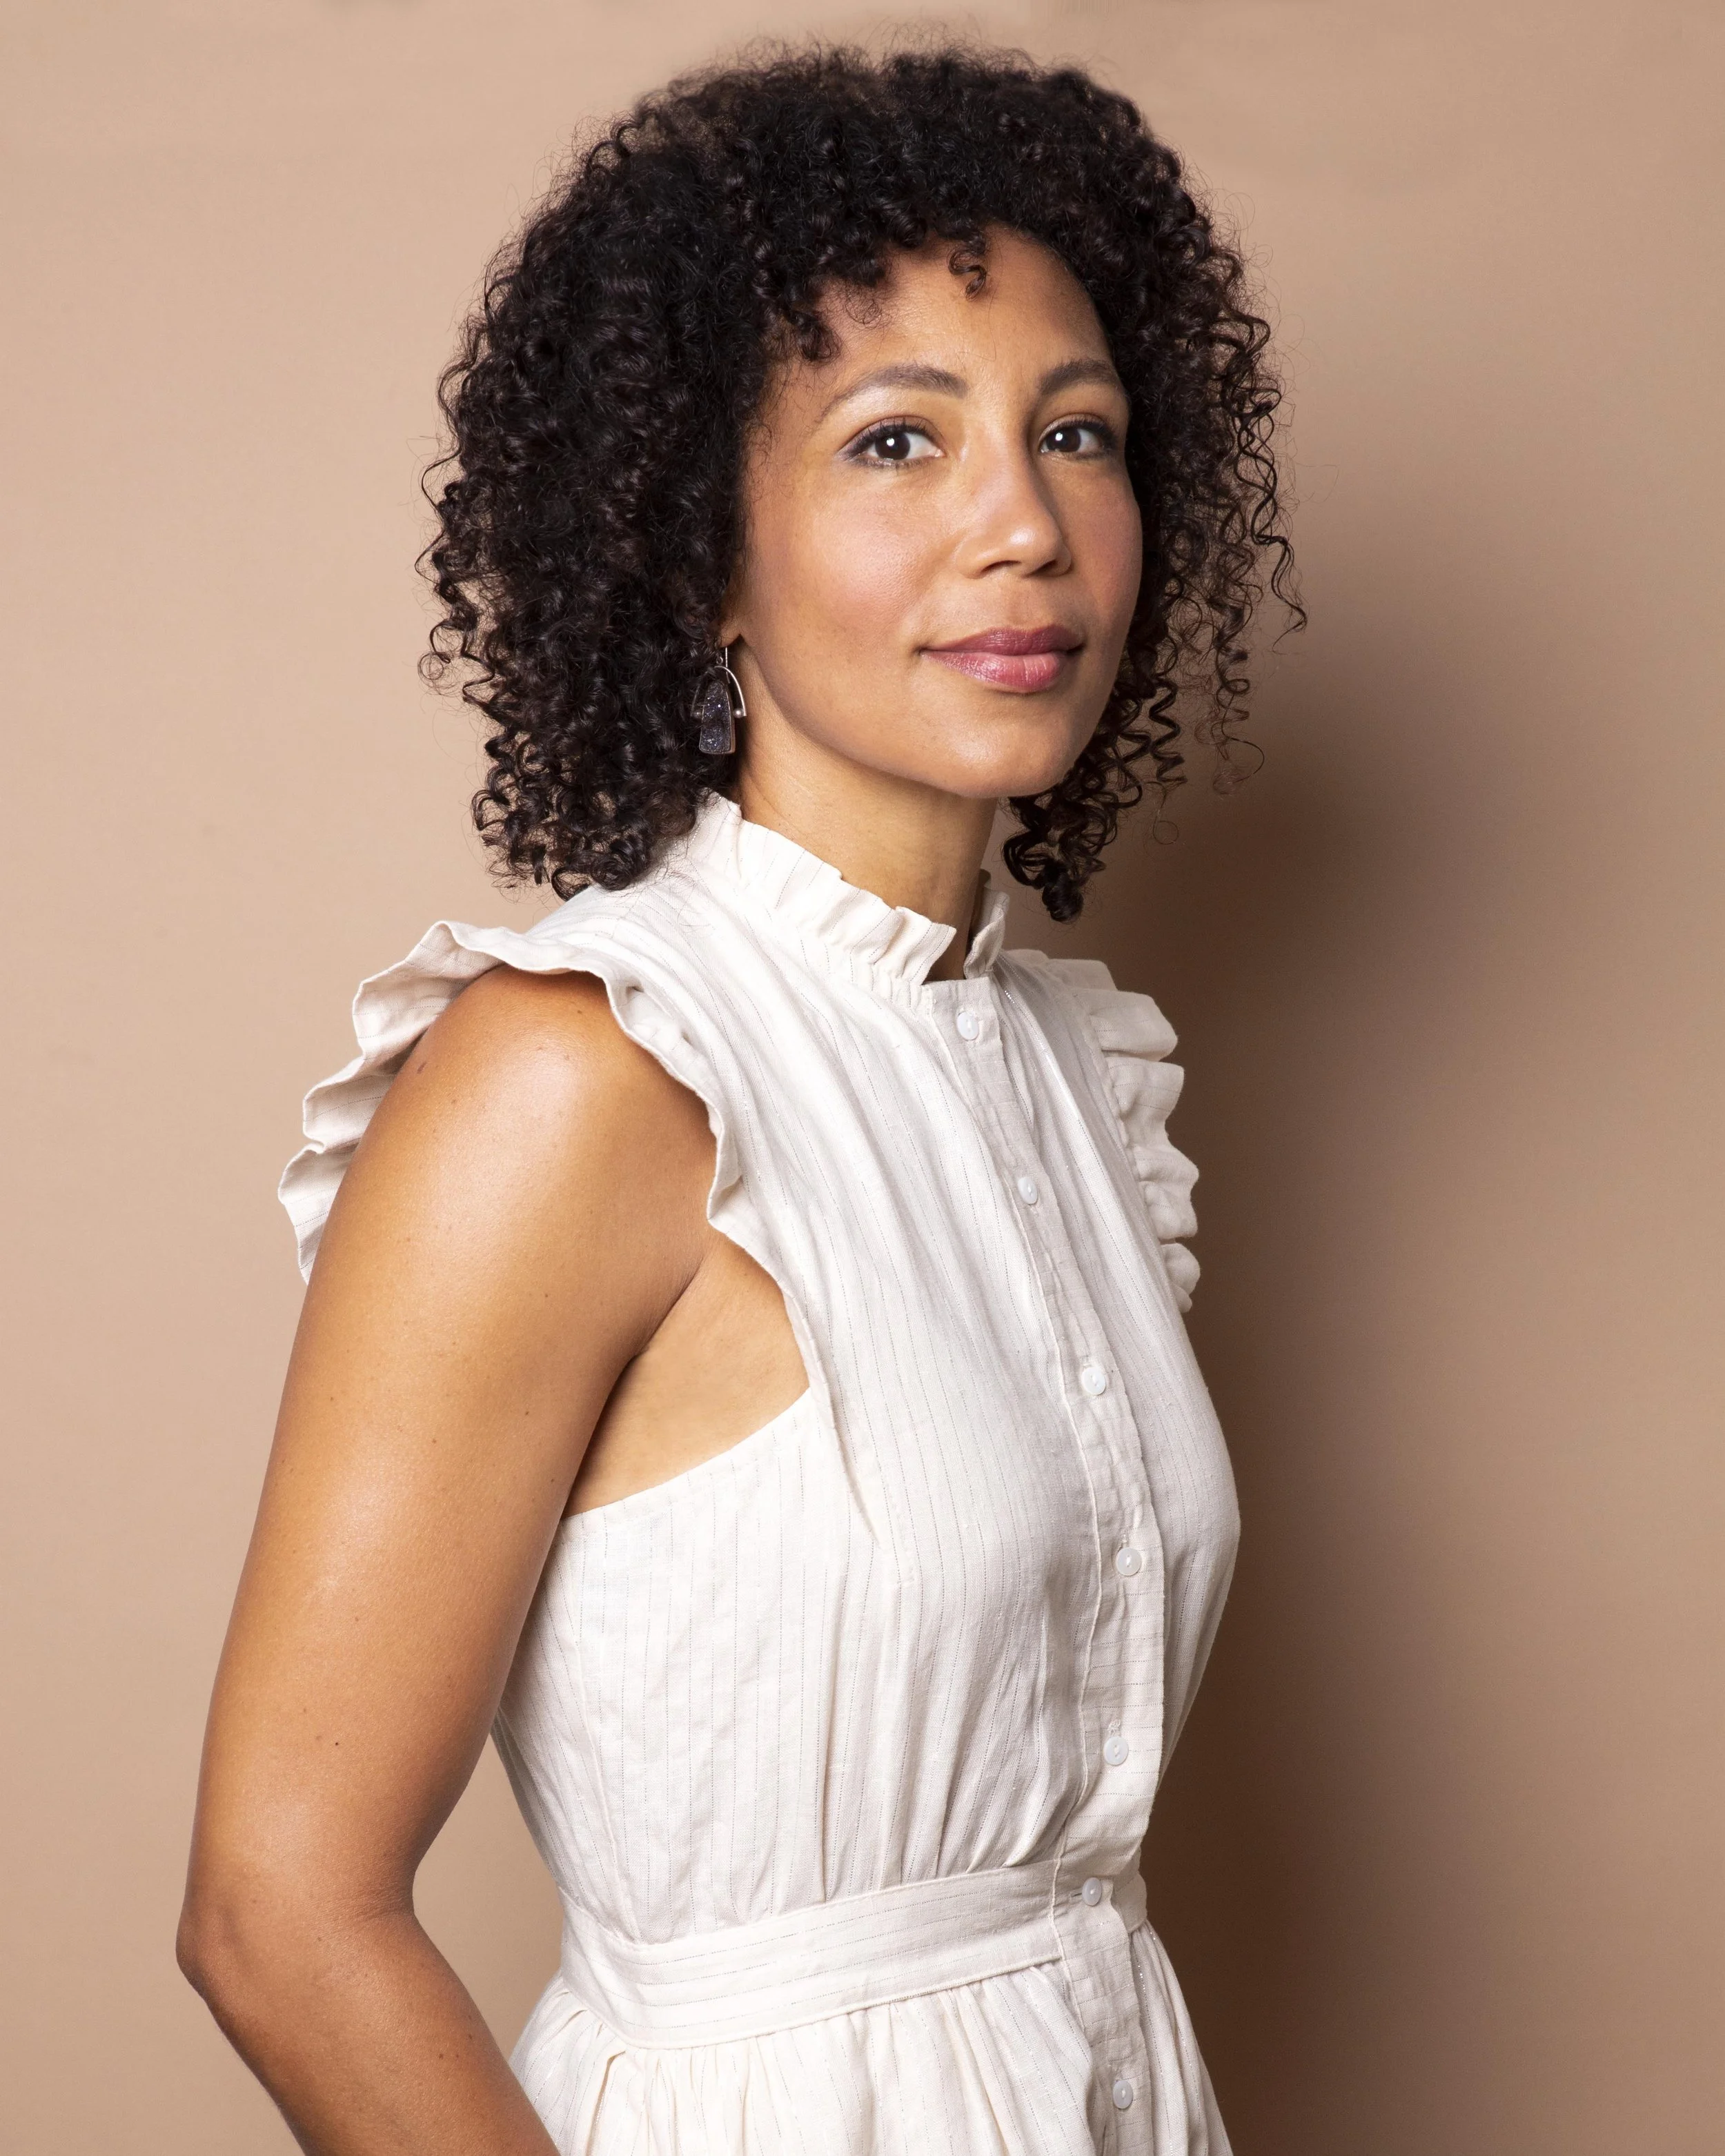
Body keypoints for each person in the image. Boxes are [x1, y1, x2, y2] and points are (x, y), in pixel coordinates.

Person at [177, 43, 1299, 2156]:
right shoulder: (582, 1071)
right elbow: (276, 1910)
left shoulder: (1063, 1071)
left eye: (1080, 434)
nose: (1025, 524)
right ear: (699, 546)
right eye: (899, 440)